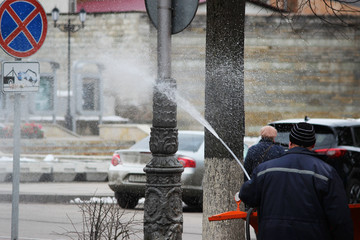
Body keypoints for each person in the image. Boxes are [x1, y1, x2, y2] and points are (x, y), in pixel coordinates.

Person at [239, 122, 353, 240]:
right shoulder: (326, 173)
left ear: (290, 143)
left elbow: (246, 195)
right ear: (313, 144)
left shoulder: (264, 170)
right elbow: (340, 218)